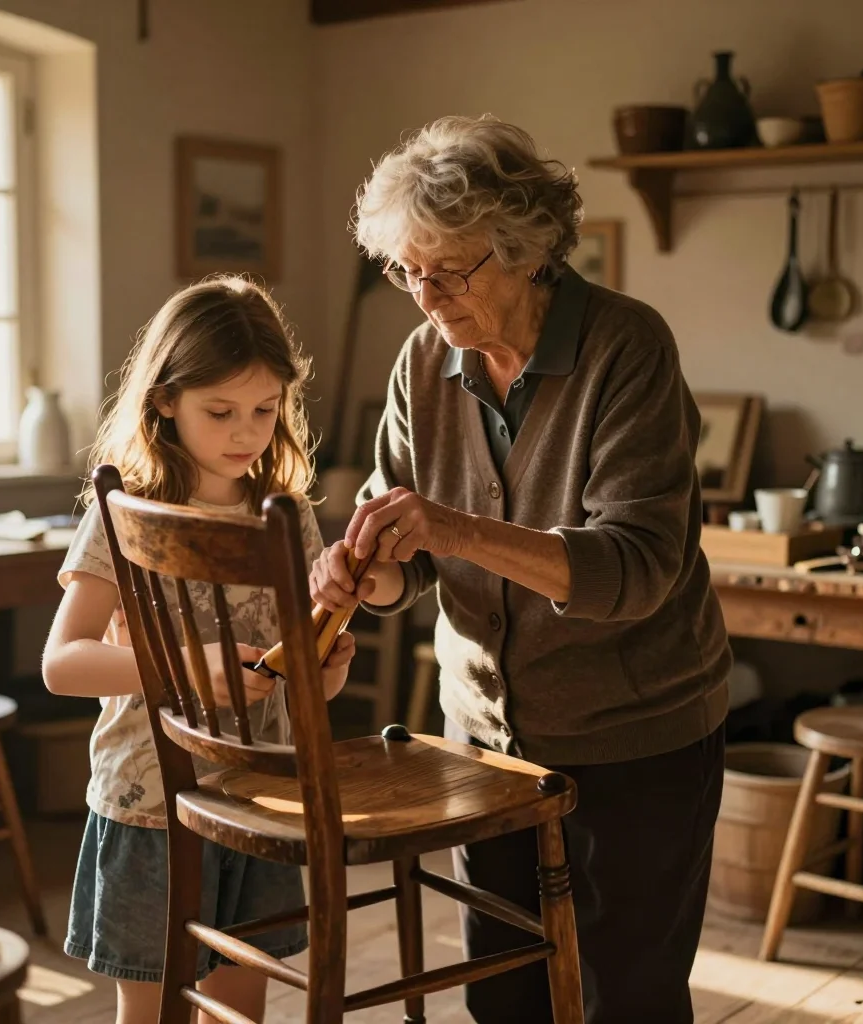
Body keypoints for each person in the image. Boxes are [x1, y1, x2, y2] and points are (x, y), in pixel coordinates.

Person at [309, 115, 731, 1023]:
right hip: (486, 739)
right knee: (502, 998)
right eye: (407, 270)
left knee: (631, 998)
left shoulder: (628, 348)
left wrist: (448, 529)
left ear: (526, 248)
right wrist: (362, 575)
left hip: (637, 732)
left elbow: (637, 569)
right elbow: (405, 564)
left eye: (449, 270)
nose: (425, 296)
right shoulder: (423, 361)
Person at [42, 277, 356, 1024]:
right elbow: (63, 663)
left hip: (258, 799)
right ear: (164, 401)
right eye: (219, 411)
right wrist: (191, 669)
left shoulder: (286, 513)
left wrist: (321, 674)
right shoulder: (127, 511)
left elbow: (293, 685)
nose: (246, 432)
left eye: (265, 408)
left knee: (238, 1009)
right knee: (151, 1011)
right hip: (149, 804)